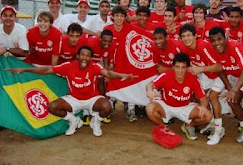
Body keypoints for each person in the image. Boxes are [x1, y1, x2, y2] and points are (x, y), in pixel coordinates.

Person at [6, 45, 136, 137]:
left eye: (88, 56)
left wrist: (122, 75)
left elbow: (107, 73)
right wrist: (24, 69)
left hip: (92, 99)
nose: (85, 58)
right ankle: (73, 121)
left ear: (91, 58)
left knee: (106, 107)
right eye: (83, 55)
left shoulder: (95, 66)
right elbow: (46, 70)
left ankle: (95, 122)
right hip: (74, 99)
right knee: (52, 107)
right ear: (78, 56)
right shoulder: (68, 66)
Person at [146, 52, 212, 141]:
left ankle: (189, 126)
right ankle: (163, 127)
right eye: (177, 67)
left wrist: (203, 107)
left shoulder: (193, 79)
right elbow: (150, 84)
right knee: (149, 108)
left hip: (184, 107)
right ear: (173, 67)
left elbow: (203, 97)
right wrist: (150, 90)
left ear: (187, 68)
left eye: (183, 67)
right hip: (166, 106)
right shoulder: (166, 76)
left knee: (207, 115)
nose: (180, 71)